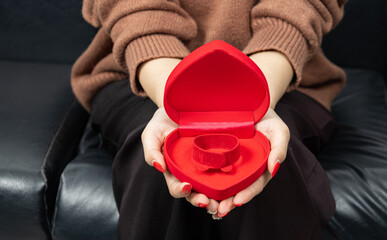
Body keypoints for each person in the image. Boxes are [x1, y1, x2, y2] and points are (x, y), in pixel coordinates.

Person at [71, 0, 347, 239]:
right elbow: (131, 8)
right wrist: (178, 100)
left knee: (269, 159)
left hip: (281, 72)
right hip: (144, 72)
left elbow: (299, 7)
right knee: (162, 162)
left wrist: (253, 100)